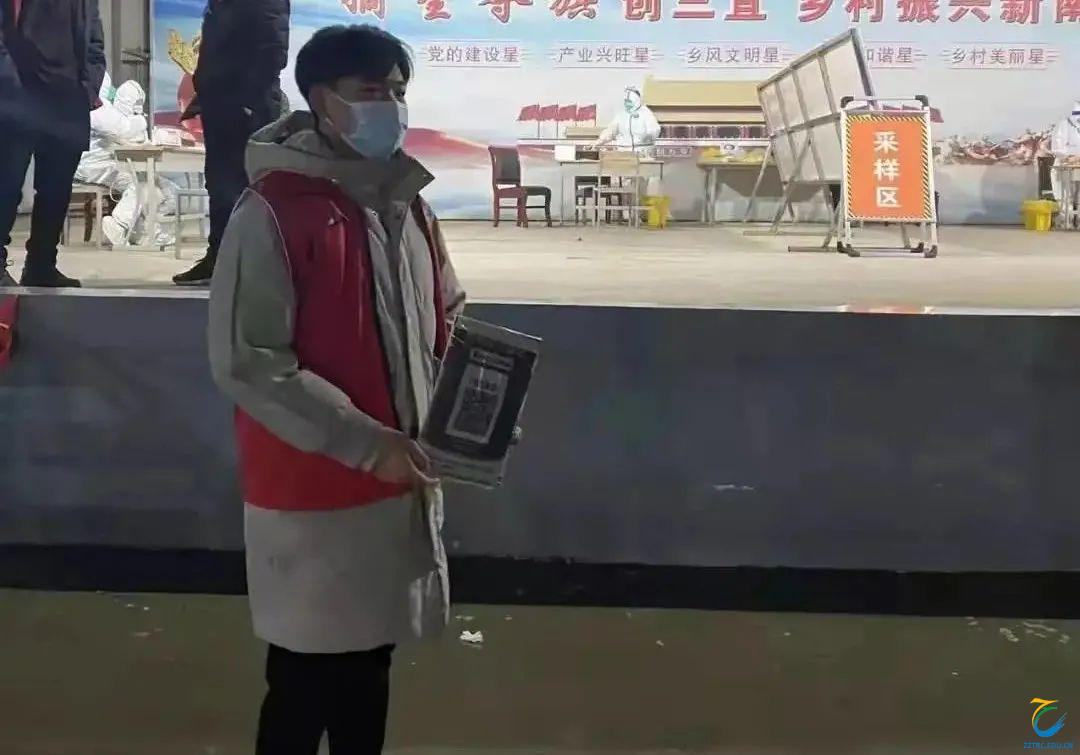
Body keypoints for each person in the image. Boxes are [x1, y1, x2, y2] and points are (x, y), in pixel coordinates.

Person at [207, 25, 466, 755]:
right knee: (306, 675)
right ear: (322, 100)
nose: (390, 106)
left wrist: (470, 411)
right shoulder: (273, 212)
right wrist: (363, 443)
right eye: (370, 91)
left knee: (368, 665)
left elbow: (445, 318)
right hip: (315, 487)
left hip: (395, 478)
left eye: (398, 91)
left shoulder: (406, 205)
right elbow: (249, 360)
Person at [173, 0, 289, 286]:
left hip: (247, 107)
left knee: (242, 187)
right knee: (220, 185)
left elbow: (273, 51)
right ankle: (219, 257)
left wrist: (247, 100)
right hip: (220, 106)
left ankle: (244, 264)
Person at [0, 0, 106, 287]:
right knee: (6, 186)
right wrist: (8, 81)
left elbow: (94, 41)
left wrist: (88, 88)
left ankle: (41, 265)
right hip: (20, 94)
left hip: (68, 100)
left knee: (56, 192)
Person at [75, 77, 179, 248]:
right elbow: (122, 129)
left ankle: (145, 231)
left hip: (102, 163)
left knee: (156, 187)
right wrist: (140, 122)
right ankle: (119, 224)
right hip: (94, 167)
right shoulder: (98, 110)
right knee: (141, 185)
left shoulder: (96, 106)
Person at [594, 86, 660, 151]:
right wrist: (600, 140)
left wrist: (648, 136)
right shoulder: (622, 115)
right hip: (624, 151)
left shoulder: (645, 113)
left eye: (629, 101)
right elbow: (611, 130)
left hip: (642, 151)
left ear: (636, 101)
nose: (627, 104)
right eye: (626, 101)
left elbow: (655, 129)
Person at [1049, 100, 1080, 223]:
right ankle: (1066, 219)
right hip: (1064, 165)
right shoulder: (1064, 125)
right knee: (1065, 194)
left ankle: (1077, 220)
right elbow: (1057, 147)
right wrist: (1069, 156)